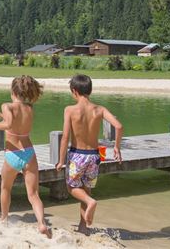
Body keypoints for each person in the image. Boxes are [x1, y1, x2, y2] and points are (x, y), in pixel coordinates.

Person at [0, 75, 52, 238]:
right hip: (29, 153)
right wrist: (0, 115)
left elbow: (9, 125)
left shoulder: (7, 105)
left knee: (5, 188)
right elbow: (16, 123)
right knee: (33, 194)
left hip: (13, 154)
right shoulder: (29, 108)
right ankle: (42, 223)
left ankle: (4, 218)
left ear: (12, 90)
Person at [55, 74, 123, 235]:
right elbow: (119, 127)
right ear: (89, 90)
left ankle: (90, 203)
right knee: (86, 189)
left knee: (72, 187)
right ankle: (83, 226)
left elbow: (65, 137)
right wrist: (117, 148)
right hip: (94, 155)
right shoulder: (100, 109)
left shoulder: (70, 110)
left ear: (74, 91)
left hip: (77, 155)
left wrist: (60, 160)